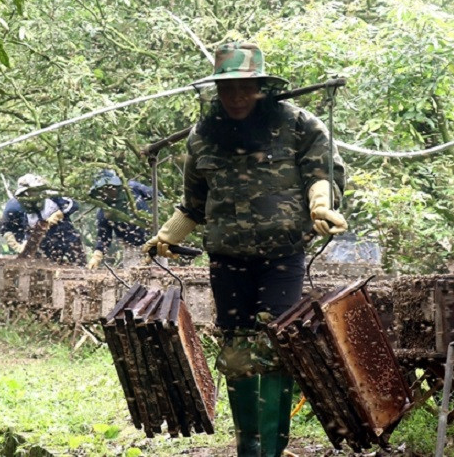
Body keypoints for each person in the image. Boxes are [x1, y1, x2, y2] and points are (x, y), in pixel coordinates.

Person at [142, 42, 348, 457]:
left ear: (261, 87)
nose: (236, 97)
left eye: (245, 87)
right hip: (227, 259)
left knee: (275, 343)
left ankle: (274, 447)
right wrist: (168, 236)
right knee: (236, 349)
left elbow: (322, 171)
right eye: (227, 89)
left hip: (282, 256)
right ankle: (248, 447)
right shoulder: (203, 135)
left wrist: (321, 205)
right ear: (216, 91)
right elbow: (194, 202)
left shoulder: (298, 124)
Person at [0, 173, 86, 266]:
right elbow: (27, 233)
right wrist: (24, 244)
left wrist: (58, 214)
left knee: (80, 266)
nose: (27, 195)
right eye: (24, 194)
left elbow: (74, 204)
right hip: (47, 247)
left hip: (68, 238)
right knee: (52, 271)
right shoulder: (23, 212)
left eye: (30, 192)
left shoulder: (52, 196)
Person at [86, 169, 152, 269]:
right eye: (104, 189)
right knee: (134, 279)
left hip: (155, 242)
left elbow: (159, 198)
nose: (108, 191)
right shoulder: (104, 212)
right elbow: (103, 238)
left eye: (110, 187)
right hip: (131, 248)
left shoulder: (133, 187)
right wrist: (97, 255)